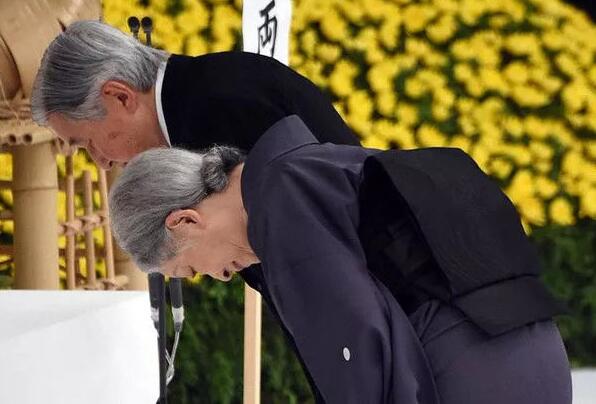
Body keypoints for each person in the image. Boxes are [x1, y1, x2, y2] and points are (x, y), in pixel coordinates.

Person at [109, 115, 572, 404]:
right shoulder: (306, 166)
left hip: (471, 368)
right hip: (531, 349)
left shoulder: (281, 206)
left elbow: (358, 346)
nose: (219, 276)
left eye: (190, 269)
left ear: (184, 222)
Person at [31, 21, 359, 398]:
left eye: (88, 142)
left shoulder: (221, 104)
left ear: (119, 97)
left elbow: (322, 245)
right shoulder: (199, 101)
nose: (101, 162)